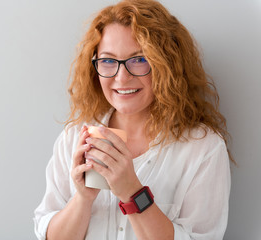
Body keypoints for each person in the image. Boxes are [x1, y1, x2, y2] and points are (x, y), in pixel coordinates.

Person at [34, 0, 233, 239]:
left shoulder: (203, 149)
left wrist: (132, 192)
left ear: (165, 65)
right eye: (108, 61)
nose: (121, 77)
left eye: (139, 59)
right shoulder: (74, 138)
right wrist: (82, 198)